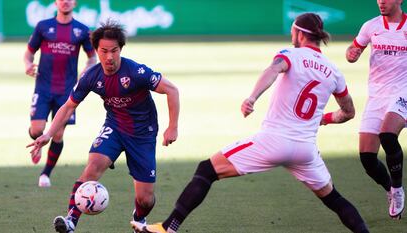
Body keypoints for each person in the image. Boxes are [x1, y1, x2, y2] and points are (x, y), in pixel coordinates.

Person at [132, 13, 369, 233]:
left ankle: (168, 227)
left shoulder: (291, 54)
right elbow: (348, 112)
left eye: (293, 31)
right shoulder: (334, 71)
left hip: (274, 141)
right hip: (306, 150)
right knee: (334, 199)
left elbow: (273, 70)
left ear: (300, 33)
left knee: (207, 170)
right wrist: (322, 119)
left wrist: (252, 97)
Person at [27, 20, 180, 233]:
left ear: (121, 49)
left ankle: (139, 217)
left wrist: (172, 127)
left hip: (142, 134)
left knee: (145, 198)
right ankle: (71, 220)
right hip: (115, 127)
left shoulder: (136, 72)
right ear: (97, 51)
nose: (109, 57)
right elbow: (68, 106)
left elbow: (172, 90)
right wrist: (48, 134)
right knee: (93, 166)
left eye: (114, 51)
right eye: (104, 51)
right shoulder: (91, 76)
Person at [24, 0, 97, 187]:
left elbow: (92, 58)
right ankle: (38, 143)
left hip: (67, 91)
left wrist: (87, 70)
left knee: (57, 135)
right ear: (56, 2)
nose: (65, 2)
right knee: (37, 130)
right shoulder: (43, 26)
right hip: (43, 87)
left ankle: (45, 174)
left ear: (75, 2)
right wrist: (28, 65)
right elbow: (28, 53)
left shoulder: (82, 30)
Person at [346, 0, 405, 219]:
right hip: (376, 96)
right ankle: (390, 188)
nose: (381, 1)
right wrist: (351, 54)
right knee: (367, 158)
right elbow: (354, 48)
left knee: (388, 135)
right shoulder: (370, 26)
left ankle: (398, 189)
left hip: (402, 91)